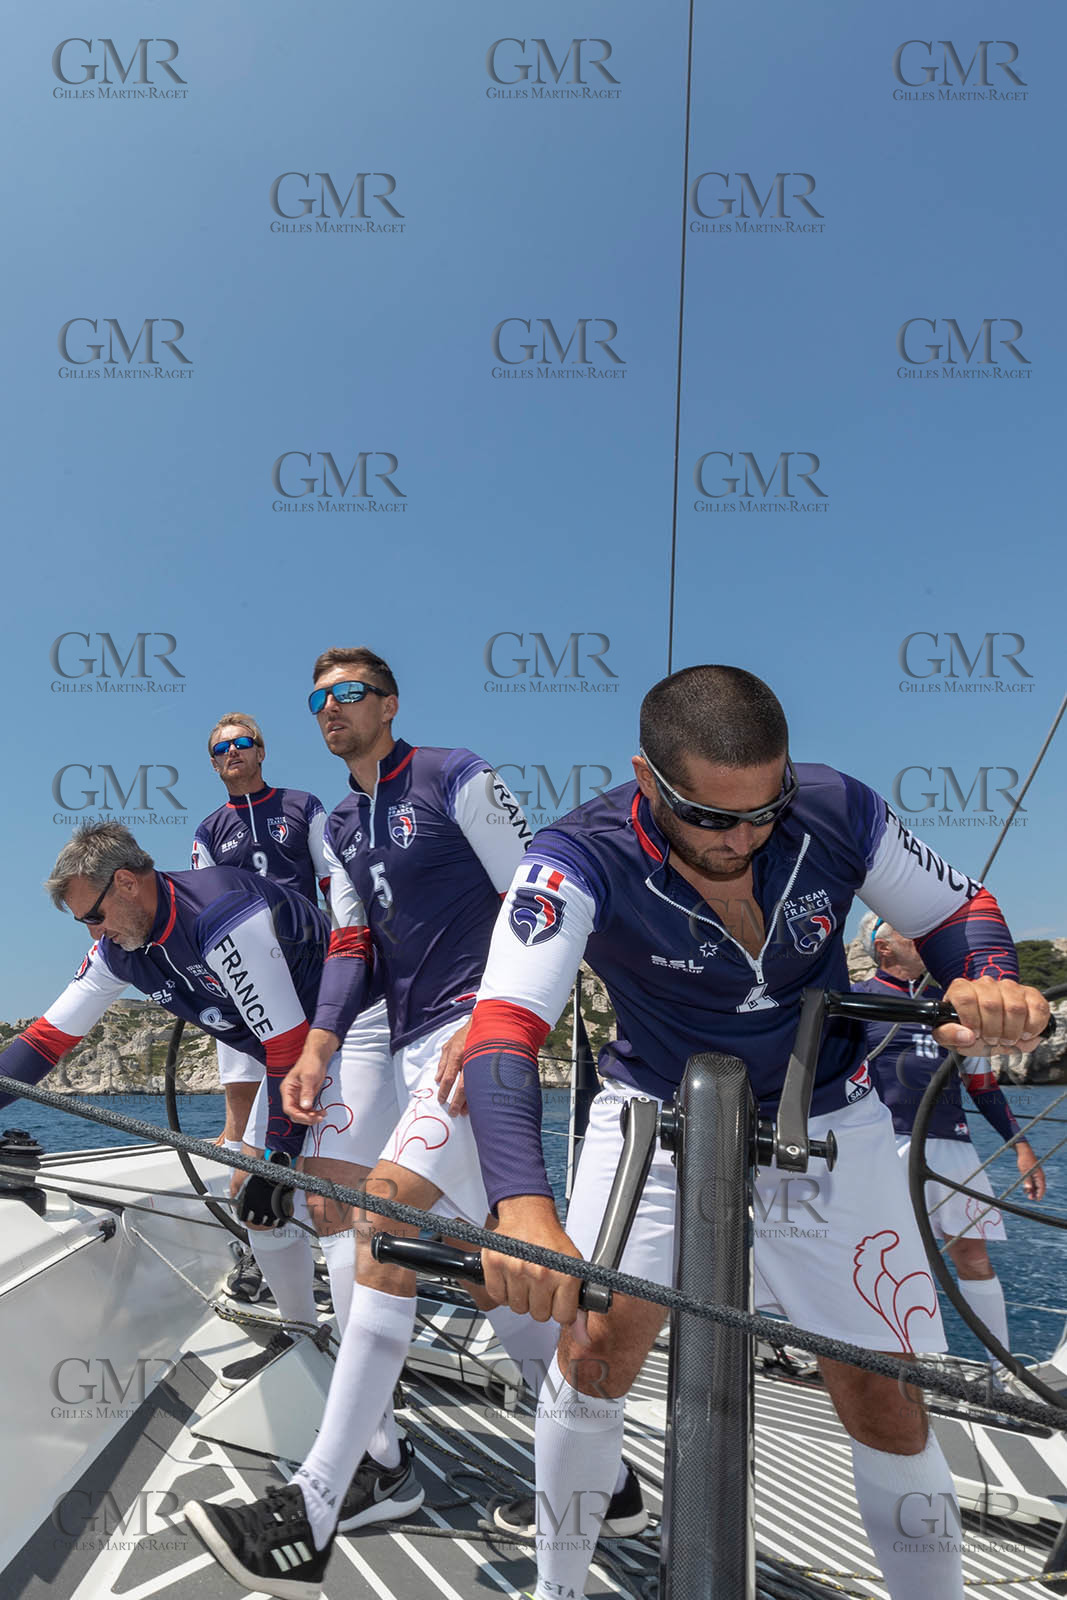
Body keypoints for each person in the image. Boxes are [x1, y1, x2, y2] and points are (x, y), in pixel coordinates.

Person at [458, 664, 1049, 1600]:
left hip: (826, 1115)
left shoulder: (838, 808)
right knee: (595, 1356)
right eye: (710, 817)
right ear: (645, 781)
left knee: (884, 1396)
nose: (741, 838)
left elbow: (957, 908)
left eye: (762, 812)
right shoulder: (573, 856)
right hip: (652, 1117)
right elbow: (502, 1028)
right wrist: (522, 1207)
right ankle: (557, 1589)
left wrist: (988, 976)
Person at [185, 645, 563, 1597]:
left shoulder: (454, 773)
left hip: (478, 1035)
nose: (331, 709)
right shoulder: (344, 821)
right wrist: (318, 1044)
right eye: (317, 698)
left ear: (389, 703)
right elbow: (352, 941)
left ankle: (325, 1494)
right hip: (396, 1043)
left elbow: (539, 891)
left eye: (348, 694)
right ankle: (621, 1479)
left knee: (382, 1219)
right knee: (479, 1267)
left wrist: (494, 1020)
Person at [192, 711, 399, 1401]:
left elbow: (339, 884)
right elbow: (199, 919)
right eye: (220, 748)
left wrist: (349, 943)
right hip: (260, 1004)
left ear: (261, 750)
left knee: (333, 1192)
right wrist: (231, 1129)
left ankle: (358, 1356)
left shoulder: (301, 809)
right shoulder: (208, 834)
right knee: (253, 1190)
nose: (232, 754)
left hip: (329, 997)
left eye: (242, 742)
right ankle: (299, 1334)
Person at [855, 911, 1046, 1362]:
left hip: (953, 1145)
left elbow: (981, 1082)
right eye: (910, 932)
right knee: (895, 1258)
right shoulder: (859, 999)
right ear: (883, 948)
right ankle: (903, 1365)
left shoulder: (954, 1005)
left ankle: (1000, 1370)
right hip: (887, 1145)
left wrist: (1020, 1146)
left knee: (973, 1256)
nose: (924, 938)